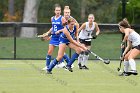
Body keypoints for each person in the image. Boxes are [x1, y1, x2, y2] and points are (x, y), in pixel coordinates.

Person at [42, 4, 70, 70]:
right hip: (54, 37)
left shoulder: (62, 18)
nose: (58, 11)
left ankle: (69, 64)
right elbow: (53, 27)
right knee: (49, 52)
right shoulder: (52, 18)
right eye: (56, 10)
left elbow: (66, 28)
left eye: (59, 10)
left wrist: (59, 31)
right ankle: (47, 66)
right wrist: (48, 33)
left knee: (62, 53)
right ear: (54, 11)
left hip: (60, 37)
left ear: (60, 11)